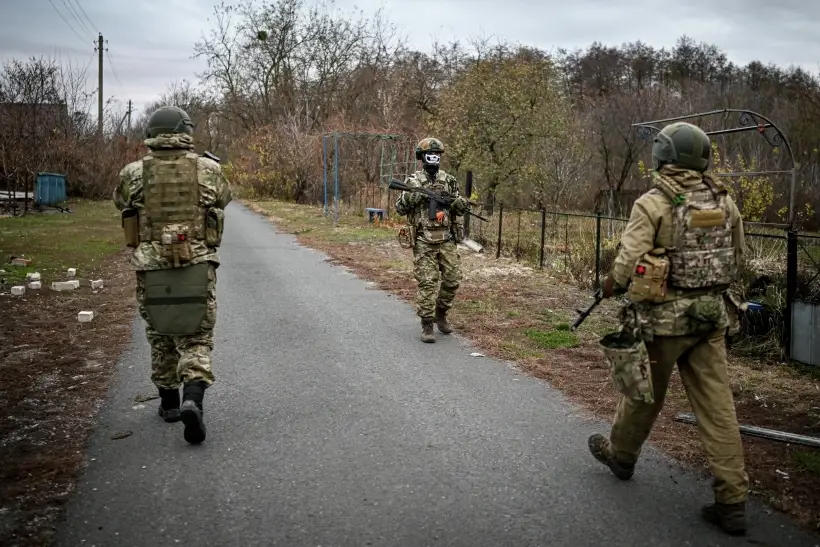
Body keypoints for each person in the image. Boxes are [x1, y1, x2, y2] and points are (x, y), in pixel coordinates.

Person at [587, 121, 749, 535]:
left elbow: (626, 263)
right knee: (718, 410)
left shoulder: (654, 202)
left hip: (663, 322)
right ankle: (732, 501)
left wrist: (608, 286)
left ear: (663, 157)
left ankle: (621, 457)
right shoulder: (724, 201)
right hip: (711, 319)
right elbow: (740, 257)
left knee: (643, 392)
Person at [113, 105, 232, 445]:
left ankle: (168, 404)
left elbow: (120, 203)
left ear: (151, 133)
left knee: (160, 333)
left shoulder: (133, 172)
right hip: (196, 264)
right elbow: (223, 199)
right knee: (196, 336)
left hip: (151, 268)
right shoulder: (208, 169)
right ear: (185, 131)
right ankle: (192, 399)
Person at [394, 137, 469, 343]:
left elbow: (458, 205)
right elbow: (400, 208)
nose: (434, 158)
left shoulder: (449, 180)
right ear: (422, 157)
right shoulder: (413, 181)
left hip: (446, 238)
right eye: (430, 155)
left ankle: (441, 314)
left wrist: (459, 204)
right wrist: (413, 197)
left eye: (437, 155)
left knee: (453, 279)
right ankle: (427, 324)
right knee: (427, 282)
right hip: (423, 239)